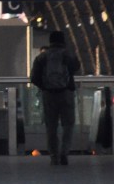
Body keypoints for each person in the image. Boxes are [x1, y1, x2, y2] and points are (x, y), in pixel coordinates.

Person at [30, 30, 81, 165]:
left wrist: (45, 87)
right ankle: (64, 152)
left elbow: (33, 77)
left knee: (51, 127)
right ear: (63, 41)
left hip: (49, 95)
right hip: (66, 93)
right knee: (68, 125)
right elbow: (76, 67)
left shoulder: (42, 57)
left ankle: (54, 155)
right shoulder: (67, 55)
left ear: (50, 41)